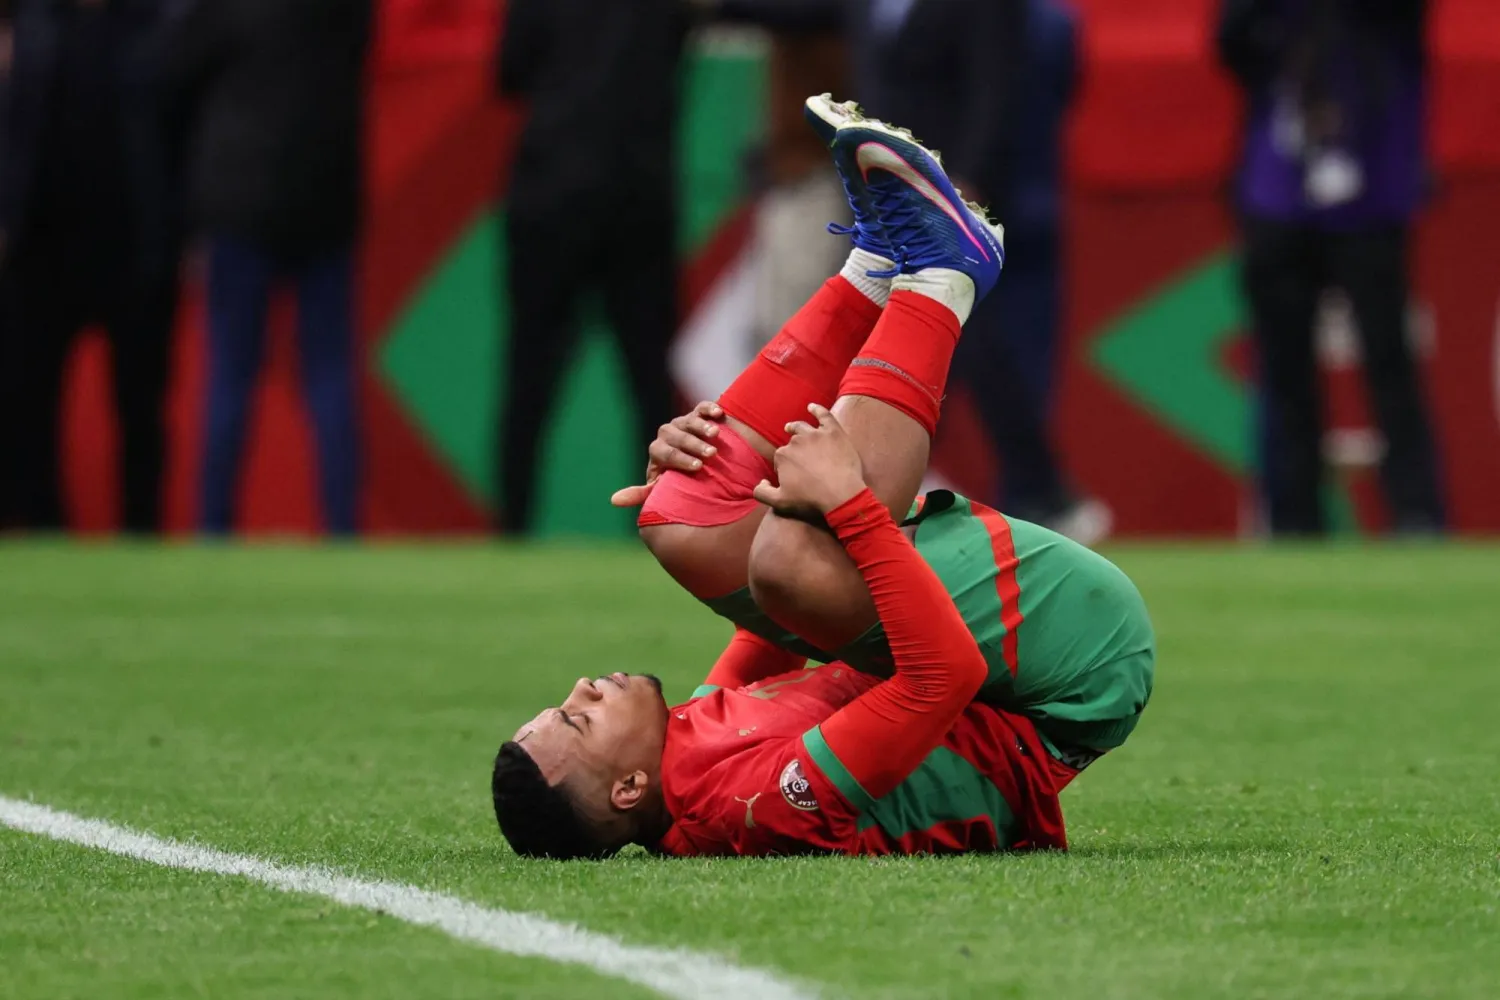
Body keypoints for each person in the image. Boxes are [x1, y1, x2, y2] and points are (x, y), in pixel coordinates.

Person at [491, 99, 1155, 859]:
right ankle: (943, 276)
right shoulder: (752, 808)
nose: (580, 689)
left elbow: (774, 625)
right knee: (786, 563)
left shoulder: (692, 746)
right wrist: (847, 505)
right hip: (1076, 671)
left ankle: (874, 268)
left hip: (1007, 654)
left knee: (684, 519)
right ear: (627, 791)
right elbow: (942, 679)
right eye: (578, 719)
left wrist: (709, 478)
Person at [1217, 0, 1445, 535]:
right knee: (1284, 366)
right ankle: (1294, 519)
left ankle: (1417, 516)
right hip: (1278, 190)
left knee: (1389, 360)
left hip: (1372, 188)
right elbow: (1230, 44)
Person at [165, 0, 371, 536]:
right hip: (323, 202)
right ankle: (343, 531)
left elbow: (173, 74)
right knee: (328, 377)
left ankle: (213, 531)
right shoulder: (345, 14)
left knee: (230, 376)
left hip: (240, 205)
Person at [493, 0, 688, 535]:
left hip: (552, 189)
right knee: (648, 378)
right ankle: (662, 523)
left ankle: (512, 525)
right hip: (640, 194)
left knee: (530, 372)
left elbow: (510, 70)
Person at [0, 0, 184, 533]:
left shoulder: (157, 25)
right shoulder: (34, 24)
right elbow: (15, 131)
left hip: (136, 248)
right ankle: (41, 528)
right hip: (42, 249)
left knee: (141, 411)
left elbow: (178, 130)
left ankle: (142, 531)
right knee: (29, 406)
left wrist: (179, 230)